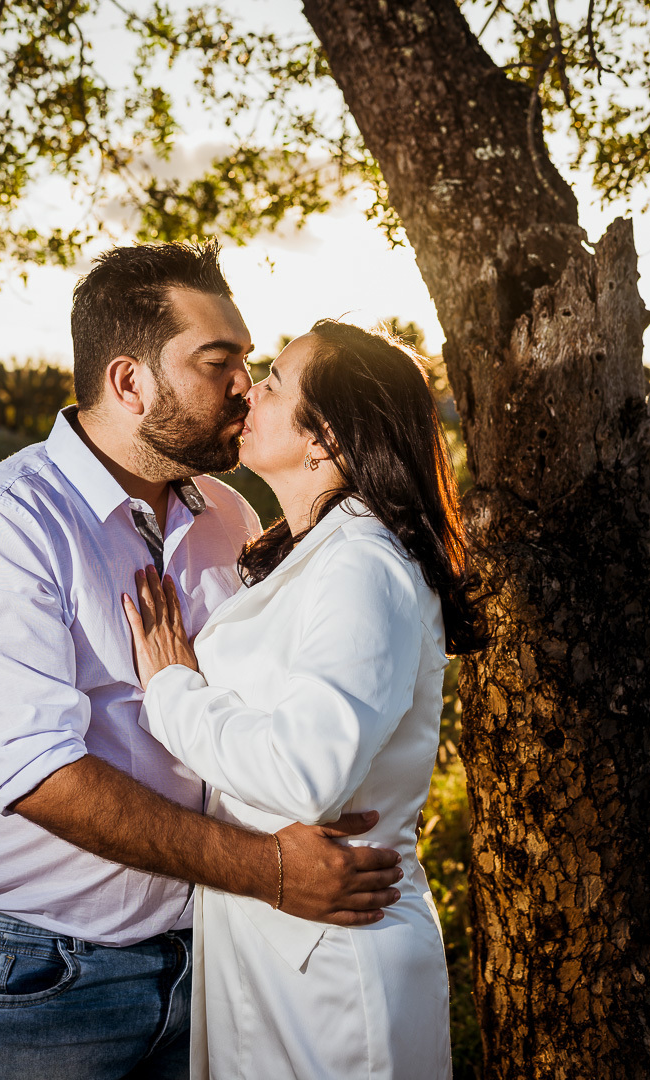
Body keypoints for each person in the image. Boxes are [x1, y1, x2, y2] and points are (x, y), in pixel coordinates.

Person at [0, 246, 403, 1080]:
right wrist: (270, 870)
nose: (245, 386)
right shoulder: (4, 524)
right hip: (45, 977)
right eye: (219, 363)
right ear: (129, 382)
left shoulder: (225, 509)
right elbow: (37, 773)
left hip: (213, 956)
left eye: (250, 364)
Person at [125, 319, 488, 1080]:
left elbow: (304, 774)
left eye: (274, 382)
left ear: (324, 437)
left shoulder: (361, 564)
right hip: (271, 939)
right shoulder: (309, 549)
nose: (248, 389)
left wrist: (171, 688)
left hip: (333, 958)